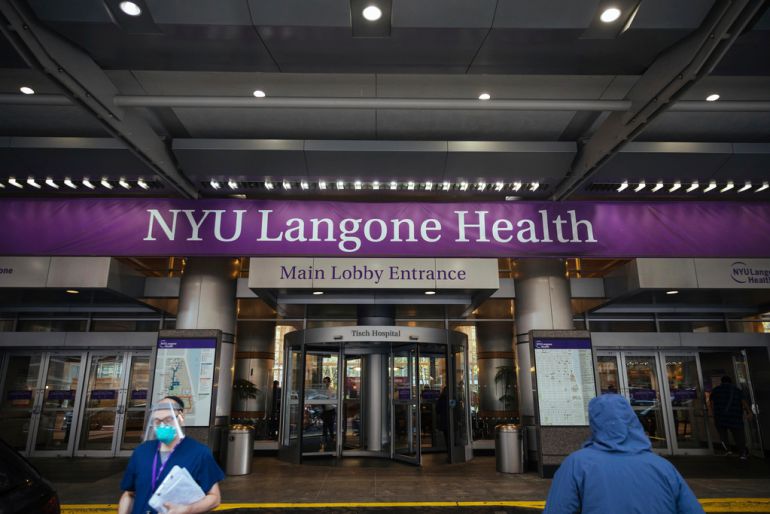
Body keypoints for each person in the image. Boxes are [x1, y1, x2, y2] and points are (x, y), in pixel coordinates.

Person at [544, 394, 703, 514]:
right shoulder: (663, 466)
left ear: (594, 423)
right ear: (632, 420)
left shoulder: (576, 463)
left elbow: (558, 508)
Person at [118, 396, 225, 514]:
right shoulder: (141, 452)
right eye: (157, 421)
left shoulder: (199, 453)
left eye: (168, 420)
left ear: (181, 418)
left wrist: (186, 510)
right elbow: (129, 494)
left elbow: (214, 498)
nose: (162, 426)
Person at [709, 376, 753, 459]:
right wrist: (749, 412)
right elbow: (743, 401)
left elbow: (711, 402)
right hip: (735, 417)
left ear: (721, 382)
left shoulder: (716, 390)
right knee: (739, 435)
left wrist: (712, 413)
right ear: (731, 382)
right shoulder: (736, 390)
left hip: (720, 417)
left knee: (723, 435)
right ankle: (742, 453)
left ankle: (728, 450)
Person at [320, 376, 336, 451]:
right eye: (324, 382)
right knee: (326, 425)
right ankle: (326, 440)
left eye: (326, 381)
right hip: (325, 410)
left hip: (330, 410)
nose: (325, 383)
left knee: (330, 425)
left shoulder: (331, 389)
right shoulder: (323, 390)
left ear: (329, 382)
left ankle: (331, 439)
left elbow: (330, 398)